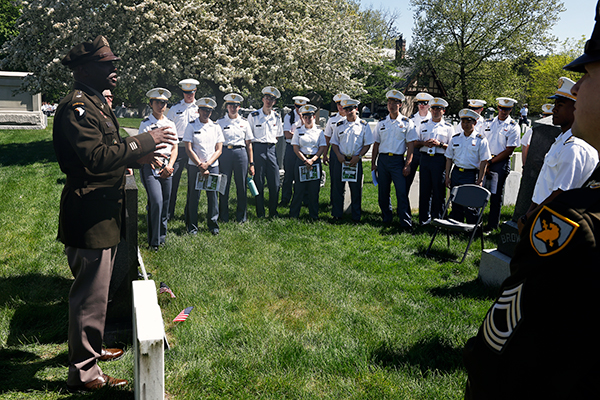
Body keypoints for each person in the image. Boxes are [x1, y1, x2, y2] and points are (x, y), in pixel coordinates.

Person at [463, 3, 600, 397]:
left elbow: (498, 365)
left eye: (587, 75)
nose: (574, 90)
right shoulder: (563, 141)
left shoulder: (573, 229)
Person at [53, 36, 176, 392]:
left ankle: (89, 352)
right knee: (88, 295)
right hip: (89, 214)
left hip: (103, 211)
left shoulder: (95, 103)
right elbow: (97, 159)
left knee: (98, 290)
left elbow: (112, 148)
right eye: (107, 65)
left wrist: (138, 156)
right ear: (86, 69)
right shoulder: (77, 108)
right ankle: (84, 374)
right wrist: (149, 140)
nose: (115, 71)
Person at [520, 77, 598, 228]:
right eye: (555, 104)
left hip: (553, 222)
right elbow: (544, 186)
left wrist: (529, 218)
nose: (553, 109)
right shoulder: (561, 140)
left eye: (560, 105)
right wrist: (528, 213)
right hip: (541, 216)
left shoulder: (575, 147)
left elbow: (561, 194)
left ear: (576, 109)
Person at [138, 88, 178, 250]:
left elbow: (174, 147)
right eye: (158, 102)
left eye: (164, 103)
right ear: (151, 104)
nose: (161, 105)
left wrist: (170, 166)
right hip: (150, 167)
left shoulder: (170, 124)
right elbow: (142, 149)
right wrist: (160, 165)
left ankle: (162, 237)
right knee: (156, 201)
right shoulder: (146, 124)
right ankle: (153, 241)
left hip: (167, 167)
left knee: (165, 204)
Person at [370, 90, 416, 227]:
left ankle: (405, 221)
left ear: (400, 105)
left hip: (397, 161)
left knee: (401, 192)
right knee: (383, 192)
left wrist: (408, 164)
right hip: (383, 161)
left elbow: (410, 146)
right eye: (389, 103)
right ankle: (386, 218)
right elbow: (376, 144)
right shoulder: (382, 123)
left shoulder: (407, 123)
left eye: (394, 103)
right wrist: (373, 163)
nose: (391, 106)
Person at [183, 97, 224, 235]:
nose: (206, 113)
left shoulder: (216, 127)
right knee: (194, 196)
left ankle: (213, 225)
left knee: (212, 196)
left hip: (212, 165)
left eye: (209, 111)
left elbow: (219, 149)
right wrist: (200, 164)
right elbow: (188, 148)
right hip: (195, 166)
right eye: (204, 110)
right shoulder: (191, 126)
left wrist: (208, 164)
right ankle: (192, 226)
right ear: (198, 110)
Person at [330, 98, 374, 222]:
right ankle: (337, 214)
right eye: (346, 109)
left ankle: (356, 216)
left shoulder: (363, 125)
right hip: (341, 160)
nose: (348, 112)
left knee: (356, 190)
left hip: (355, 161)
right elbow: (334, 142)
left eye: (351, 109)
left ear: (356, 109)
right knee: (338, 188)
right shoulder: (339, 124)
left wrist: (359, 156)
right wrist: (338, 155)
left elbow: (367, 144)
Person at [444, 109, 491, 223]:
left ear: (474, 123)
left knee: (471, 205)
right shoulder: (455, 138)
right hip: (457, 173)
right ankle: (456, 228)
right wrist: (447, 177)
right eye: (463, 122)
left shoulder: (481, 140)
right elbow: (449, 158)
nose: (465, 124)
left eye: (468, 122)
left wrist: (480, 180)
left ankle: (472, 230)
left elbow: (484, 161)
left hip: (471, 174)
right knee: (456, 203)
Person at [482, 97, 521, 232]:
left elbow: (509, 150)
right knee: (480, 192)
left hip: (499, 163)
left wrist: (490, 162)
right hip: (485, 161)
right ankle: (476, 222)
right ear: (498, 107)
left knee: (496, 195)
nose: (504, 112)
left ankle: (492, 225)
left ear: (511, 110)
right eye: (501, 108)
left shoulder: (513, 126)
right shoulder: (487, 123)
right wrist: (484, 162)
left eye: (507, 109)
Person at [413, 97, 454, 224]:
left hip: (439, 160)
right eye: (433, 109)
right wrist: (424, 143)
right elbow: (415, 142)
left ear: (444, 111)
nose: (435, 111)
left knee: (438, 190)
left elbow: (452, 146)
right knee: (424, 190)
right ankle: (424, 219)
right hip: (425, 159)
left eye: (439, 109)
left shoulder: (448, 127)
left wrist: (440, 144)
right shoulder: (423, 124)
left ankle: (438, 218)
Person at [217, 93, 255, 223]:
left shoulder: (244, 123)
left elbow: (249, 144)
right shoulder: (220, 123)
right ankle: (223, 216)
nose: (233, 108)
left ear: (239, 107)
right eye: (230, 105)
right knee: (223, 185)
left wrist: (251, 163)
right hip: (225, 154)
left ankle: (242, 216)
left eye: (236, 106)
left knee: (241, 186)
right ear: (226, 106)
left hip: (240, 154)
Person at [166, 78, 200, 220]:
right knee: (173, 182)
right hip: (178, 148)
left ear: (195, 91)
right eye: (186, 93)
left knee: (193, 183)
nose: (189, 95)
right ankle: (168, 214)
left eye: (191, 92)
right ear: (182, 92)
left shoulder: (201, 108)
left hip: (194, 148)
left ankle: (189, 214)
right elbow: (167, 127)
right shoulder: (174, 109)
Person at [247, 86, 284, 218]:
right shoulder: (254, 116)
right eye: (267, 98)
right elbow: (249, 138)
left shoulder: (277, 117)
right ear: (263, 99)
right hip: (258, 149)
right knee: (259, 182)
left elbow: (278, 136)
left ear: (274, 102)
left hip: (271, 150)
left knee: (275, 183)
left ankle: (273, 212)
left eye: (271, 99)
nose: (268, 101)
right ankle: (260, 212)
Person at [289, 104, 327, 219]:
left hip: (314, 162)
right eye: (305, 117)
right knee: (299, 189)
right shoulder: (298, 131)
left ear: (314, 117)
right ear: (302, 118)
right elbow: (295, 147)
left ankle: (313, 215)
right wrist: (306, 160)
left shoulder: (319, 132)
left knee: (314, 190)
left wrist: (313, 160)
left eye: (309, 116)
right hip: (302, 161)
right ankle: (294, 215)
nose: (307, 119)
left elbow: (322, 147)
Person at [280, 95, 310, 206]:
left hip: (303, 148)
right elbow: (287, 135)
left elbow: (309, 131)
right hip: (291, 148)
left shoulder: (308, 116)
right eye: (297, 106)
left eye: (301, 107)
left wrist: (302, 119)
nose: (298, 109)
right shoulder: (289, 116)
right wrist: (299, 135)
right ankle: (285, 199)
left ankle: (303, 199)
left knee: (303, 175)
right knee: (289, 175)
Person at [323, 93, 350, 207]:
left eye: (342, 103)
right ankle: (334, 202)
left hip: (349, 151)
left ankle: (347, 202)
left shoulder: (352, 117)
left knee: (349, 178)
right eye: (338, 104)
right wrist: (325, 154)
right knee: (335, 179)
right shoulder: (332, 119)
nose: (340, 106)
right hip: (335, 151)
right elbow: (327, 137)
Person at [408, 92, 433, 204]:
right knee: (407, 180)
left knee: (427, 183)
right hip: (413, 151)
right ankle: (403, 209)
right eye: (419, 103)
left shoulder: (433, 119)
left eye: (425, 103)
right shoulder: (411, 119)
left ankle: (427, 210)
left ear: (429, 105)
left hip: (427, 152)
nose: (422, 105)